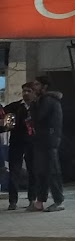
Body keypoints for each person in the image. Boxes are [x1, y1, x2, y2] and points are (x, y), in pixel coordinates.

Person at [29, 76, 65, 212]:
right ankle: (40, 201)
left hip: (49, 141)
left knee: (52, 171)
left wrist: (33, 103)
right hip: (41, 140)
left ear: (44, 87)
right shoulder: (42, 100)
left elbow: (38, 117)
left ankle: (59, 201)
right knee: (41, 171)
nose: (34, 87)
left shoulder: (48, 101)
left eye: (37, 84)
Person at [2, 83, 37, 211]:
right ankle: (13, 201)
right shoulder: (15, 106)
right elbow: (3, 114)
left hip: (32, 142)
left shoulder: (37, 106)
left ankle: (32, 199)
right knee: (14, 171)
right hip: (16, 142)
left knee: (33, 171)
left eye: (29, 91)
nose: (26, 93)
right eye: (24, 91)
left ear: (34, 92)